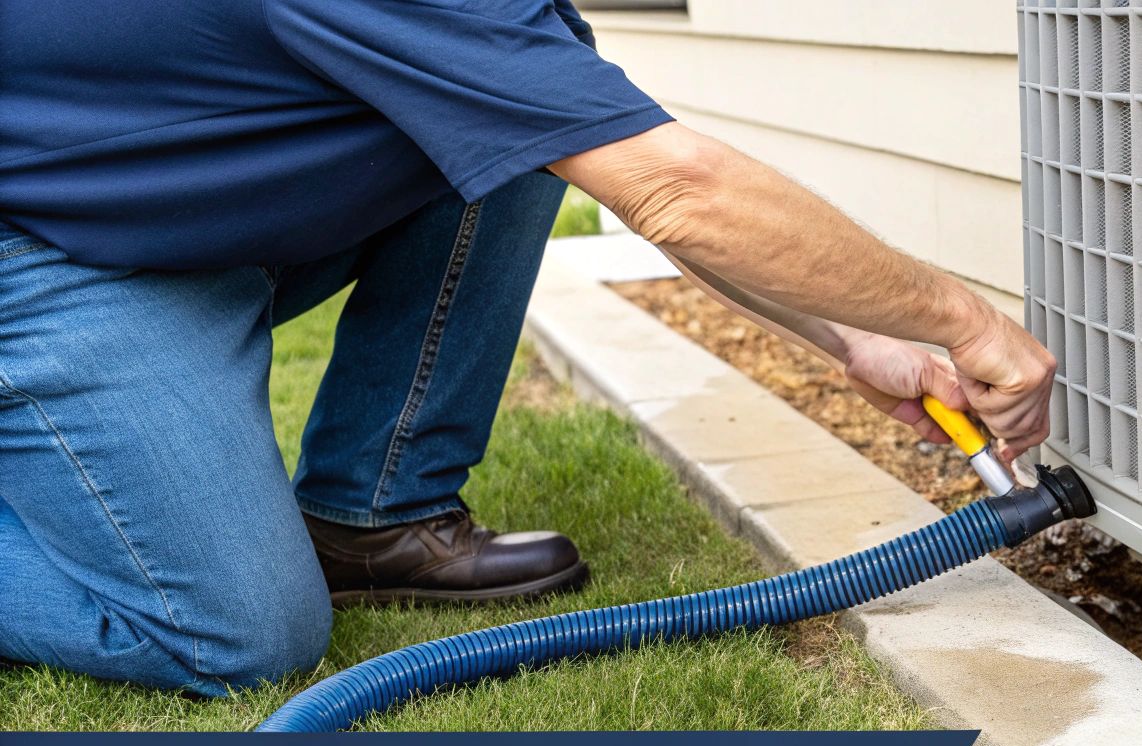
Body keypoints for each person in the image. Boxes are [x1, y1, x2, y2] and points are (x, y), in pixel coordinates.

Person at [0, 0, 1056, 696]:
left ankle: (373, 517)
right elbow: (681, 189)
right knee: (239, 637)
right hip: (45, 246)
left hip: (172, 210)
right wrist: (963, 321)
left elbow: (619, 166)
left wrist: (857, 337)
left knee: (520, 142)